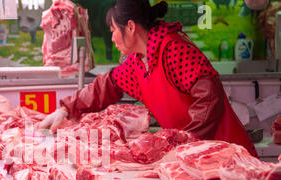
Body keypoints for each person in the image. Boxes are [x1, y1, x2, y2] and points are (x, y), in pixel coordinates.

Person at [39, 0, 257, 157]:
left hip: (227, 153)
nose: (112, 37)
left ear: (131, 27)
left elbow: (210, 97)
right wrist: (66, 109)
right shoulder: (139, 62)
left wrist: (184, 142)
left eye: (113, 30)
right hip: (194, 156)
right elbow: (109, 83)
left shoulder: (173, 48)